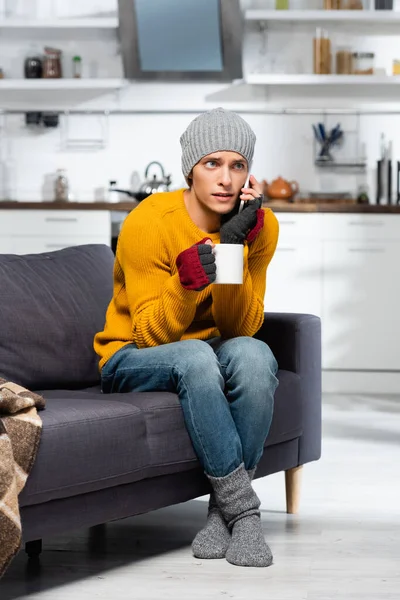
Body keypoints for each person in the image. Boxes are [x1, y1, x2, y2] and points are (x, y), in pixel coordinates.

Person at [94, 108, 279, 568]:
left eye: (237, 165)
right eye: (211, 164)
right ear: (190, 170)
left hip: (208, 349)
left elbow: (240, 329)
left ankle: (222, 516)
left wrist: (234, 247)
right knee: (195, 355)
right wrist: (186, 283)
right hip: (131, 354)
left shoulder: (261, 226)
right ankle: (245, 513)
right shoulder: (149, 222)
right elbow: (151, 333)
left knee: (255, 355)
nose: (225, 179)